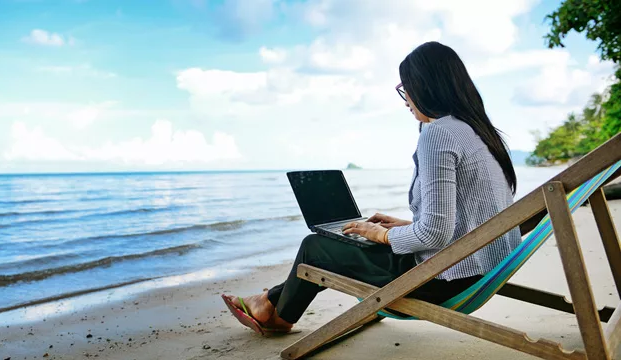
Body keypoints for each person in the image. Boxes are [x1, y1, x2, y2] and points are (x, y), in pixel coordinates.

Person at [222, 41, 522, 334]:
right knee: (348, 241)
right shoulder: (479, 133)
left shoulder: (439, 134)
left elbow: (434, 233)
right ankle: (267, 302)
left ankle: (276, 316)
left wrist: (382, 234)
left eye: (407, 88)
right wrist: (404, 226)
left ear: (426, 87)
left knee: (315, 246)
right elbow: (473, 216)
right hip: (481, 269)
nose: (406, 100)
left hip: (443, 279)